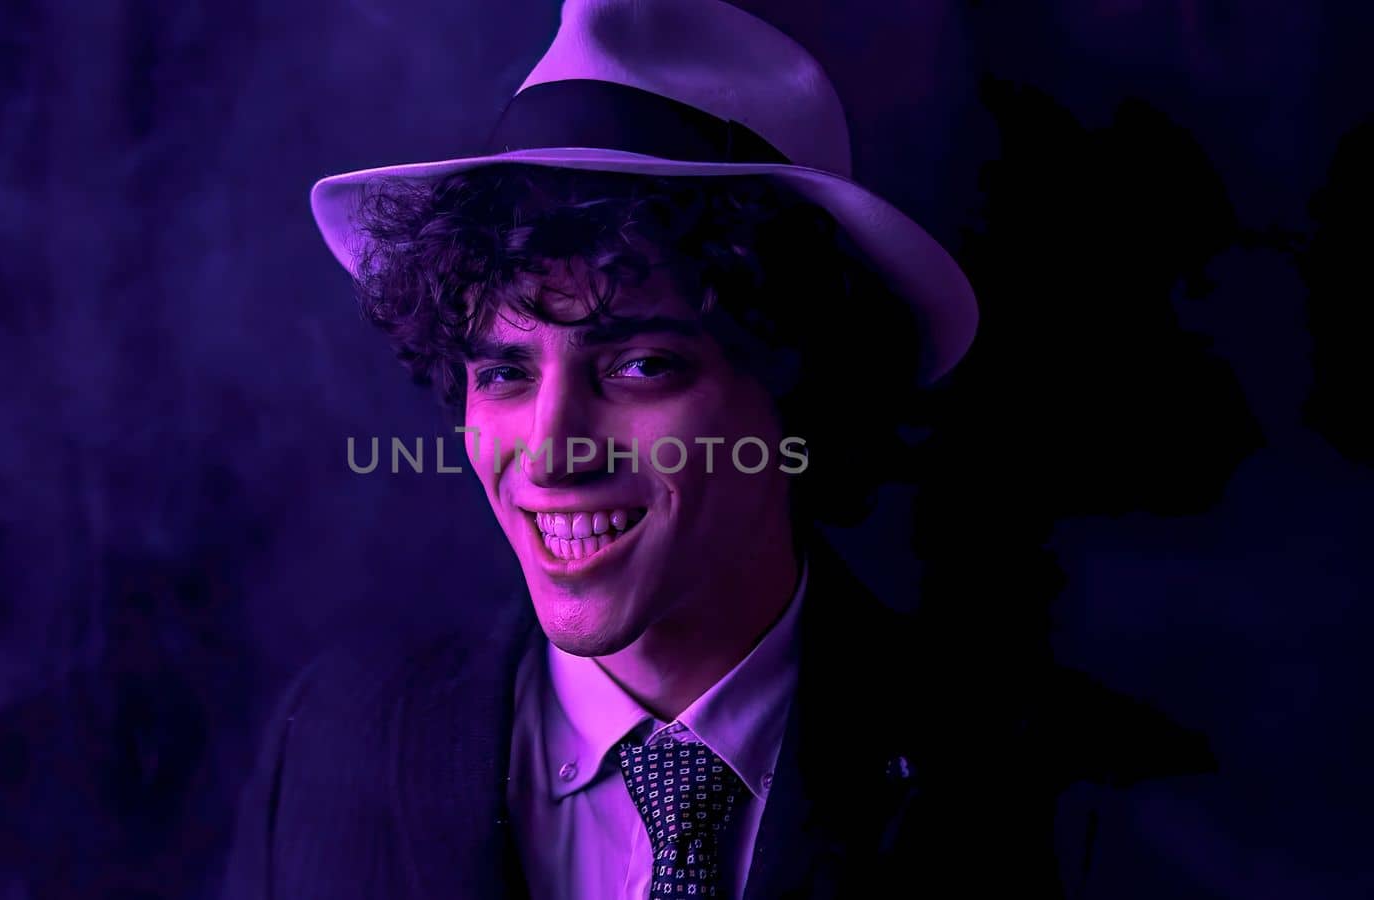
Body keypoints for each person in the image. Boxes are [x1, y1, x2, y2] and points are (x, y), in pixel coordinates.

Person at [223, 1, 1214, 897]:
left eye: (642, 366)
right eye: (505, 373)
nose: (550, 451)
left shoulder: (1053, 794)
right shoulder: (333, 746)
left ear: (803, 386)